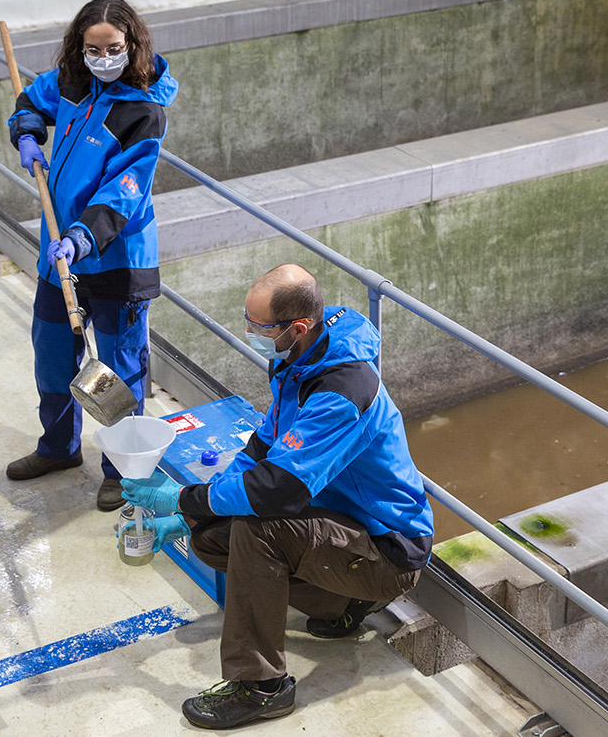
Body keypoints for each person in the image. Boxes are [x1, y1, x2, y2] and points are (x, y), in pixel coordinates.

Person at [122, 264, 435, 730]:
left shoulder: (342, 391)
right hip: (341, 525)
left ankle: (262, 688)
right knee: (211, 536)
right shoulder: (295, 363)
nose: (248, 332)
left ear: (298, 327)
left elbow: (278, 491)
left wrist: (184, 498)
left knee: (257, 526)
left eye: (259, 326)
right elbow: (260, 453)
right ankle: (343, 604)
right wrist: (191, 517)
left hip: (386, 550)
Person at [3, 0, 179, 513]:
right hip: (57, 260)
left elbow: (124, 192)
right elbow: (30, 100)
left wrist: (81, 238)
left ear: (134, 45)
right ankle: (58, 449)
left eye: (114, 48)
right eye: (92, 48)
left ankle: (121, 470)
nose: (103, 57)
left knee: (117, 372)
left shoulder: (143, 112)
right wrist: (29, 134)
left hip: (115, 258)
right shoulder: (72, 82)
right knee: (54, 360)